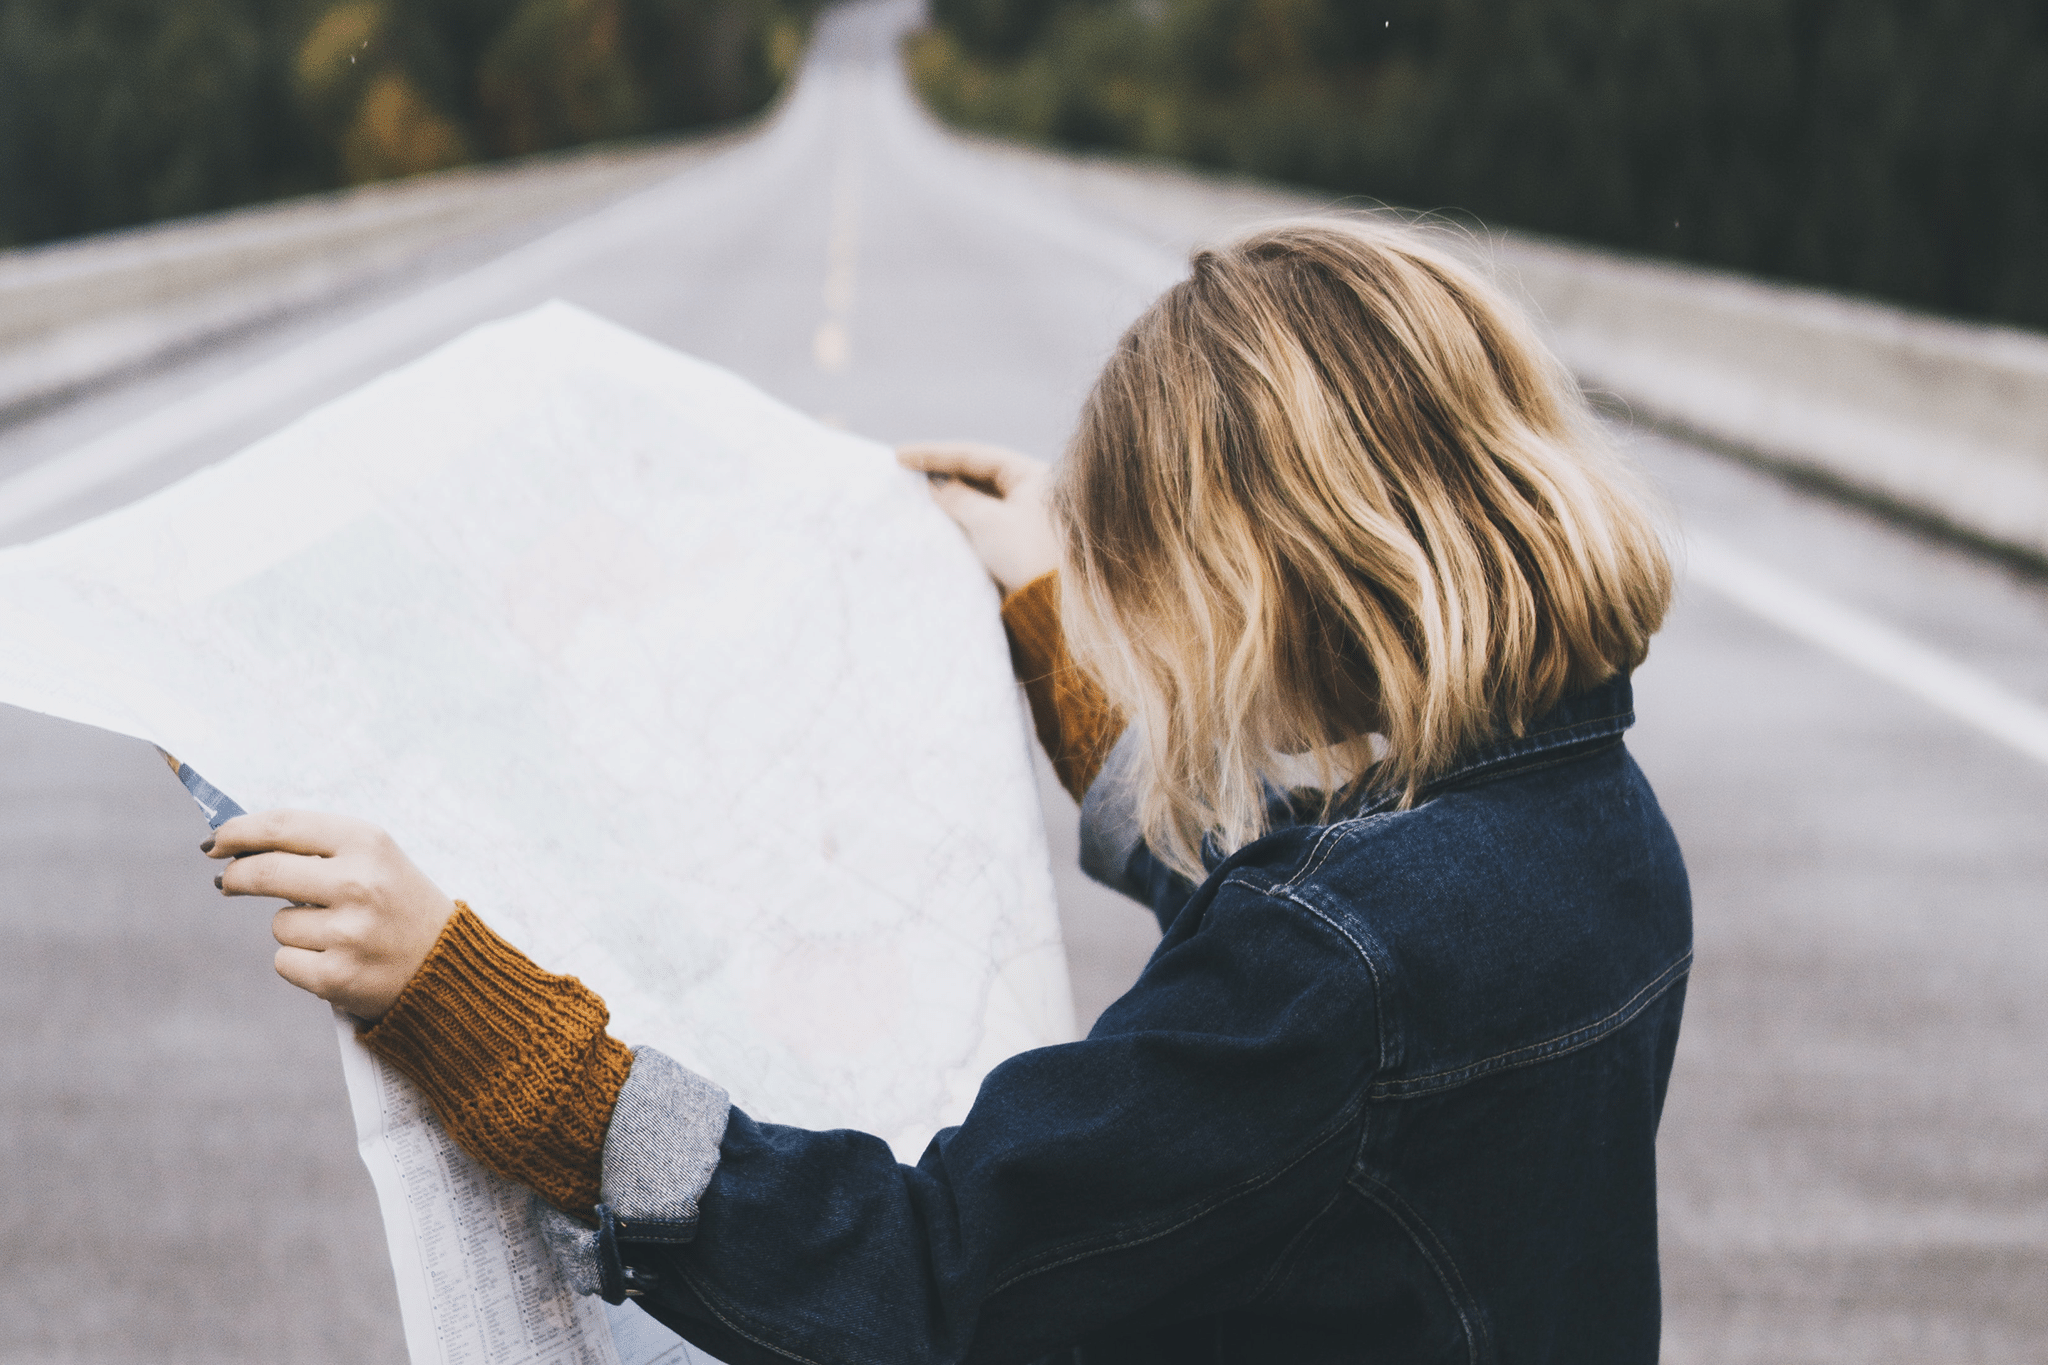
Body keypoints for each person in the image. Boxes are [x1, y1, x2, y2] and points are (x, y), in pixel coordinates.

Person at [205, 220, 1690, 1364]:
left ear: (1275, 585)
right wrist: (1050, 620)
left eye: (1162, 600)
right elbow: (1318, 922)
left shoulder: (1338, 971)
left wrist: (497, 1032)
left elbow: (925, 1272)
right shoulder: (1590, 825)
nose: (1162, 655)